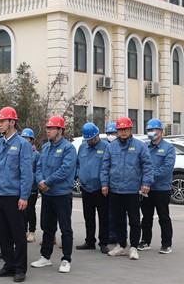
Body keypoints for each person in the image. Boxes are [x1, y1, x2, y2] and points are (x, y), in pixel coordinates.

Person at [0, 107, 34, 283]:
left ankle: (20, 268)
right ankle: (9, 264)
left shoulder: (23, 145)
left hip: (14, 196)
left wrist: (24, 196)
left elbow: (26, 173)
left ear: (12, 122)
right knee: (2, 232)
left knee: (18, 234)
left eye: (2, 121)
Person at [101, 117, 153, 261]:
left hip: (132, 190)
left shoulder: (140, 146)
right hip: (116, 190)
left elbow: (147, 166)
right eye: (120, 130)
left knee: (134, 220)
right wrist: (104, 183)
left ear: (131, 130)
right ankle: (121, 245)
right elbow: (105, 167)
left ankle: (134, 247)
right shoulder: (111, 147)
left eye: (125, 129)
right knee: (118, 220)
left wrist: (146, 183)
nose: (123, 132)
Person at [31, 115, 77, 273]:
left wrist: (48, 182)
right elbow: (38, 167)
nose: (48, 131)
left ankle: (66, 259)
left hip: (61, 194)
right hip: (47, 195)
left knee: (65, 228)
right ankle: (45, 257)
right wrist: (40, 181)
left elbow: (66, 169)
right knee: (47, 227)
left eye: (51, 128)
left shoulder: (68, 148)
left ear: (60, 130)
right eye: (48, 128)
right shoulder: (45, 147)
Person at [140, 119, 176, 254]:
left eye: (153, 130)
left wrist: (148, 178)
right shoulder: (144, 147)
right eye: (149, 130)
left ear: (160, 131)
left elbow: (167, 168)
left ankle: (166, 244)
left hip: (161, 188)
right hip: (146, 189)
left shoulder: (168, 148)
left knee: (163, 217)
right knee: (146, 217)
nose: (151, 132)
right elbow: (139, 164)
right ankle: (145, 241)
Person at [76, 122, 110, 253]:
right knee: (88, 216)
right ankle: (90, 241)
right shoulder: (82, 147)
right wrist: (79, 174)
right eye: (87, 139)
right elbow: (78, 164)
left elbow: (109, 167)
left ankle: (103, 242)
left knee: (103, 216)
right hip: (86, 188)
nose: (89, 141)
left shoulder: (106, 147)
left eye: (91, 139)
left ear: (97, 136)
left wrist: (105, 184)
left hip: (100, 188)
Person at [21, 127, 39, 243]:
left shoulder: (36, 154)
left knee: (30, 209)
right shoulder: (20, 152)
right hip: (21, 186)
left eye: (27, 138)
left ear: (31, 140)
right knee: (21, 210)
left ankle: (32, 231)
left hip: (32, 187)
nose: (25, 140)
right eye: (23, 138)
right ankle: (23, 230)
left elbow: (38, 170)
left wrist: (31, 179)